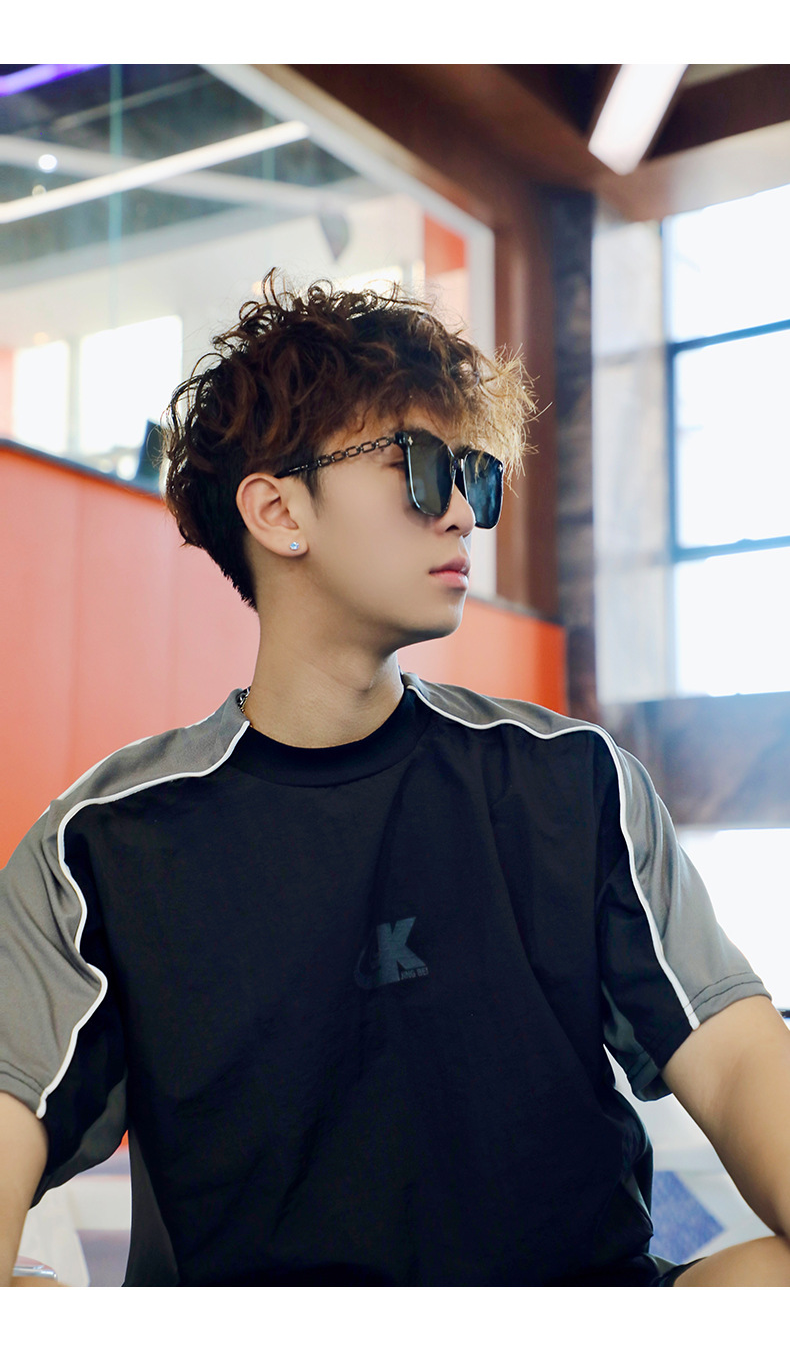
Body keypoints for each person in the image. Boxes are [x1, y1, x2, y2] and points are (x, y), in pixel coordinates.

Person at [2, 271, 790, 1289]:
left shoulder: (572, 782)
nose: (462, 512)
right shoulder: (103, 846)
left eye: (475, 476)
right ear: (278, 510)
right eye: (419, 467)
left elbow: (736, 1057)